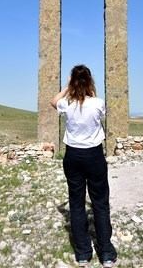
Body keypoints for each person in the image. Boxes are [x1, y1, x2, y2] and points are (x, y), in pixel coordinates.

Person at [51, 64, 118, 268]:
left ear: (73, 83)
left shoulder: (67, 104)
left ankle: (82, 253)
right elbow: (100, 116)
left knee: (77, 203)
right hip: (94, 155)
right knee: (100, 202)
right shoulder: (98, 103)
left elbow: (53, 101)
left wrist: (67, 86)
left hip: (73, 155)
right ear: (90, 82)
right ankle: (106, 253)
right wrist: (85, 89)